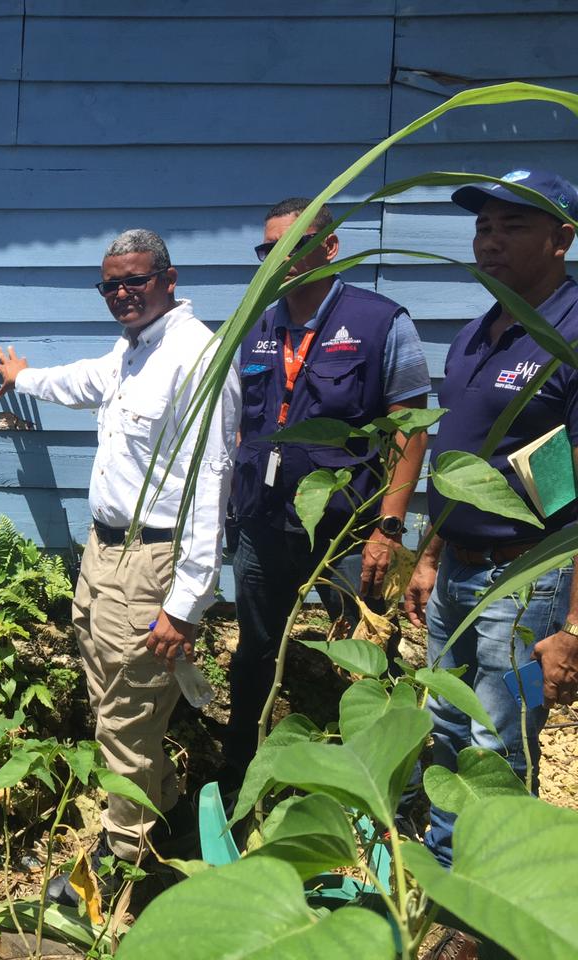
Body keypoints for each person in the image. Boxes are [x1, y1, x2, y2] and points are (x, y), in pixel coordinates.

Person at [0, 228, 240, 878]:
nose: (122, 294)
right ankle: (167, 815)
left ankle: (120, 869)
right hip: (105, 555)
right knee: (110, 701)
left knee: (126, 720)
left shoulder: (196, 358)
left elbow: (212, 485)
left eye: (136, 280)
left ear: (169, 278)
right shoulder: (134, 349)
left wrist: (185, 605)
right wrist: (23, 378)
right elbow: (84, 382)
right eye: (111, 284)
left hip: (153, 561)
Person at [403, 169, 578, 878]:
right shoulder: (477, 333)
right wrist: (427, 556)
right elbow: (462, 457)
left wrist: (573, 625)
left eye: (512, 227)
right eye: (483, 227)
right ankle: (452, 890)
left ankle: (497, 901)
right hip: (456, 572)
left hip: (531, 580)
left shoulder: (569, 332)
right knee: (446, 727)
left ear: (561, 239)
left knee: (500, 743)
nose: (490, 242)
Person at [223, 198, 431, 784]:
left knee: (367, 657)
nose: (278, 260)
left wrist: (388, 528)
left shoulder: (380, 322)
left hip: (348, 530)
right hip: (265, 522)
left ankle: (381, 783)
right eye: (268, 250)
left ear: (330, 246)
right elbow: (247, 426)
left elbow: (410, 432)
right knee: (255, 651)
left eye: (292, 246)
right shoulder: (259, 325)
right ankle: (243, 771)